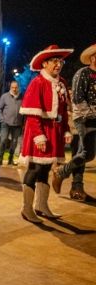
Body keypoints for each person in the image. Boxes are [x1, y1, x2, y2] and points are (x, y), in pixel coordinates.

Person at [18, 45, 73, 223]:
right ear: (45, 63)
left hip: (54, 131)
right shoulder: (38, 82)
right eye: (55, 61)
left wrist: (65, 129)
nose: (59, 64)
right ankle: (27, 209)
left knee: (47, 169)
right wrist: (38, 136)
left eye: (61, 61)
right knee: (35, 168)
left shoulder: (62, 83)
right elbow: (32, 114)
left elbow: (64, 111)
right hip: (39, 132)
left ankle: (41, 205)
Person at [52, 43, 96, 201]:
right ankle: (61, 172)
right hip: (84, 118)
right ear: (91, 58)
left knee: (86, 153)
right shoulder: (82, 73)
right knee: (87, 153)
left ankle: (76, 187)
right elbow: (78, 99)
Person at [66, 88, 88, 200]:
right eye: (69, 93)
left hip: (83, 133)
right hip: (73, 134)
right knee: (78, 158)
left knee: (81, 160)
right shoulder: (65, 105)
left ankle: (77, 187)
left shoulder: (79, 103)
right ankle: (76, 187)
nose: (71, 95)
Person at [0, 81, 23, 166]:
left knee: (14, 142)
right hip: (6, 123)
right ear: (10, 87)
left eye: (16, 87)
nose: (14, 89)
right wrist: (2, 119)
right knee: (3, 140)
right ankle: (0, 158)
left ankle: (10, 159)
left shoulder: (22, 97)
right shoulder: (5, 96)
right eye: (12, 87)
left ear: (18, 87)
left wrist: (23, 122)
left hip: (18, 124)